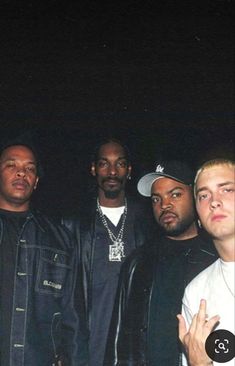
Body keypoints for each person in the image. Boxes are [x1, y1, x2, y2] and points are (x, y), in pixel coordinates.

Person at [104, 160, 218, 365]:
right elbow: (118, 339)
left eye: (175, 194)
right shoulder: (137, 262)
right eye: (157, 199)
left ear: (194, 196)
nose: (164, 205)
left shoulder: (216, 258)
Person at [0, 140, 88, 366]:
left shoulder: (60, 239)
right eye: (11, 165)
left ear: (36, 181)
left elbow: (74, 317)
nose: (21, 172)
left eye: (30, 168)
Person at [62, 138, 149, 366]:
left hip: (134, 352)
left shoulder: (148, 223)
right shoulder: (73, 224)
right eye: (104, 164)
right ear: (93, 169)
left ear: (129, 170)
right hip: (86, 351)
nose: (112, 171)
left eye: (119, 164)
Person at [178, 158, 235, 366]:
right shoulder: (196, 292)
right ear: (199, 218)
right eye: (203, 195)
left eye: (227, 190)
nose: (214, 201)